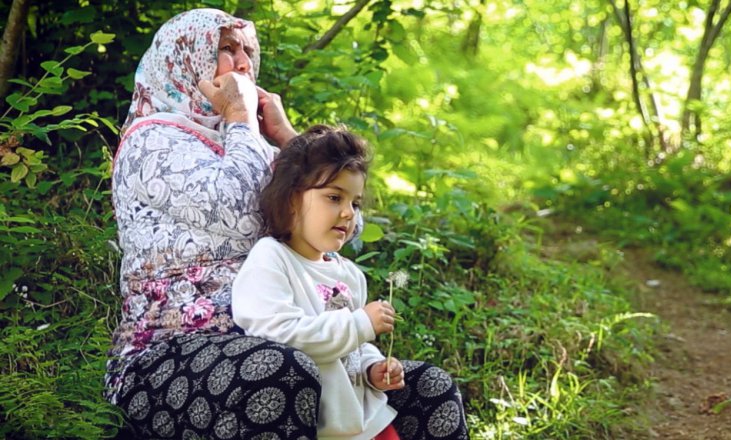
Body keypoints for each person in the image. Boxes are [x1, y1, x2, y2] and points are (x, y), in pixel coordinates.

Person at [106, 9, 324, 438]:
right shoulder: (150, 142)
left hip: (282, 335)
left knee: (426, 389)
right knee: (278, 371)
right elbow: (240, 214)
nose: (243, 63)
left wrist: (290, 141)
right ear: (185, 59)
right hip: (167, 355)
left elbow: (339, 224)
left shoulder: (254, 145)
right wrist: (241, 119)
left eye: (247, 51)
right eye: (226, 49)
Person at [232, 125, 469, 440]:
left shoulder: (349, 275)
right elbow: (277, 335)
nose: (348, 213)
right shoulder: (272, 258)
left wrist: (373, 368)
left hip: (366, 423)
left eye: (355, 204)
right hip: (307, 424)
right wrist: (360, 323)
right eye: (334, 197)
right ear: (291, 199)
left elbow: (353, 348)